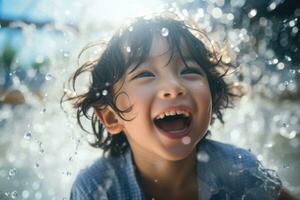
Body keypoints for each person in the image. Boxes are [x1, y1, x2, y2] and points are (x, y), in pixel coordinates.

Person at [63, 14, 298, 200]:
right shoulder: (98, 189)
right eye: (145, 73)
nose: (174, 86)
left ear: (212, 98)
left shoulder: (239, 170)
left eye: (189, 71)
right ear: (112, 117)